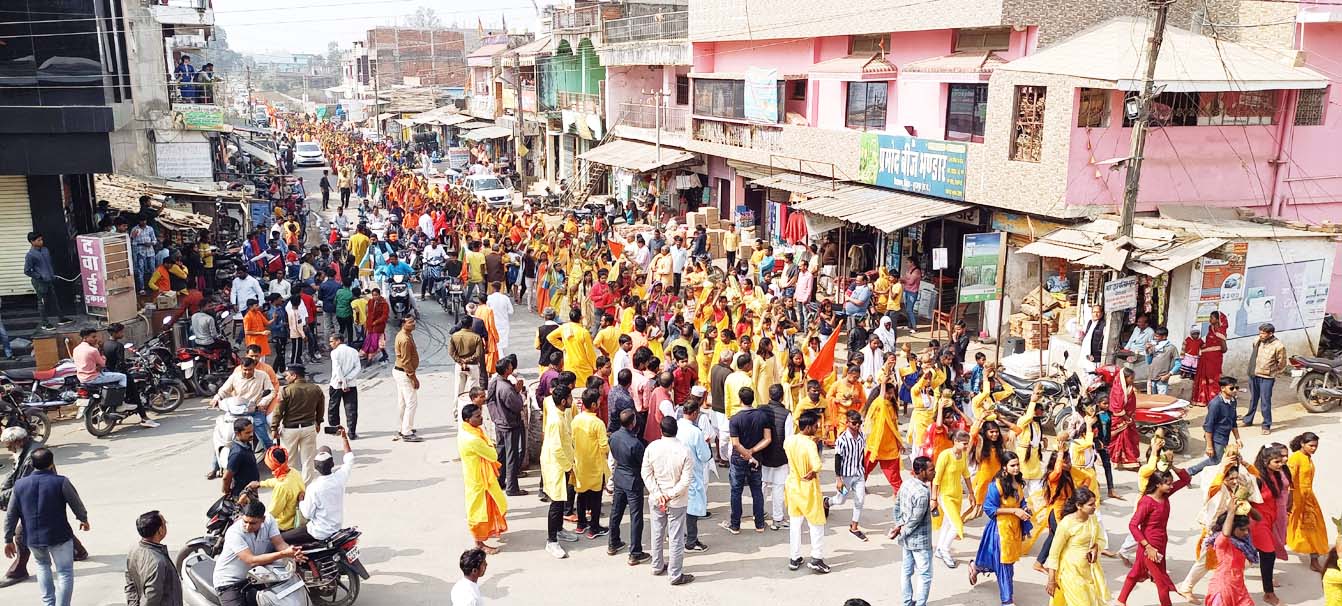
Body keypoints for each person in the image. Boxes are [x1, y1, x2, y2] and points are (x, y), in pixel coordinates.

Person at [2, 447, 88, 606]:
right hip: (59, 536)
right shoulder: (61, 481)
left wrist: (8, 539)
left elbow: (11, 514)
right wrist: (83, 519)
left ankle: (48, 604)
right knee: (64, 573)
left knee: (42, 567)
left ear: (32, 464)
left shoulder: (20, 485)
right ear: (52, 464)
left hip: (33, 538)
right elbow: (75, 502)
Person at [1116, 468, 1193, 606]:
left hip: (1161, 542)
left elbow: (1186, 479)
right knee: (1161, 582)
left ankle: (1121, 601)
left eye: (1171, 483)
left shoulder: (1165, 495)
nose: (1171, 486)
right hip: (1150, 546)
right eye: (1168, 483)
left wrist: (1172, 466)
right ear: (1158, 484)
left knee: (1135, 573)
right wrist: (1147, 546)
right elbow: (1133, 525)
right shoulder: (1147, 502)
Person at [968, 452, 1031, 606]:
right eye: (1012, 465)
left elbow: (1021, 501)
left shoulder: (1018, 482)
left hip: (1014, 528)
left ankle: (975, 567)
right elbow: (990, 509)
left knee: (1004, 562)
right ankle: (1007, 600)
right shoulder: (996, 486)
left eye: (1017, 465)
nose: (1016, 468)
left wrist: (1024, 508)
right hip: (1000, 530)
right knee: (1004, 565)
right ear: (1004, 467)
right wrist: (1014, 511)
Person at [212, 500, 302, 606]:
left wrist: (292, 553)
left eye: (253, 523)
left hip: (255, 577)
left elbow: (279, 543)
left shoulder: (269, 520)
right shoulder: (234, 533)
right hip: (229, 583)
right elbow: (251, 561)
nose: (248, 526)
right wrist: (284, 554)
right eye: (245, 522)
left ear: (263, 519)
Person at [641, 416, 695, 586]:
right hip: (676, 501)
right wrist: (670, 495)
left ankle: (657, 565)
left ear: (661, 430)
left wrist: (659, 494)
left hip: (658, 499)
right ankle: (675, 574)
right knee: (676, 537)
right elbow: (686, 481)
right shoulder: (684, 451)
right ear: (676, 430)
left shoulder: (652, 447)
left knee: (657, 533)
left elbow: (646, 473)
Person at [284, 429, 354, 545]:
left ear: (315, 467)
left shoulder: (314, 488)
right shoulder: (340, 478)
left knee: (280, 539)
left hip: (318, 532)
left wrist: (301, 501)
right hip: (336, 528)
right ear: (332, 464)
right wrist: (344, 437)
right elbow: (349, 459)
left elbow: (307, 514)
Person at [1043, 487, 1107, 606]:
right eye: (1091, 504)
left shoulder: (1093, 519)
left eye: (1095, 503)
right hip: (1070, 573)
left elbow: (1100, 539)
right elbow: (1054, 553)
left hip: (1089, 571)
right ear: (1079, 505)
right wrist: (1051, 580)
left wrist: (1096, 547)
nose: (1095, 507)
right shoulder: (1066, 524)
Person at [458, 404, 508, 554]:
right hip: (479, 479)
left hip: (478, 476)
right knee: (479, 512)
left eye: (480, 415)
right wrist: (490, 446)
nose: (481, 418)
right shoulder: (472, 438)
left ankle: (485, 534)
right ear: (468, 419)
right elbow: (493, 455)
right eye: (477, 416)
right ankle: (478, 543)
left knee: (487, 507)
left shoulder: (468, 430)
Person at [785, 409, 830, 574]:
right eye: (816, 425)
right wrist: (813, 471)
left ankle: (794, 557)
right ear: (809, 427)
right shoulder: (810, 444)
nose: (817, 428)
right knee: (816, 523)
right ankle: (817, 558)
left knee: (795, 524)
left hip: (792, 485)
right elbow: (817, 465)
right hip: (808, 487)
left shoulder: (789, 441)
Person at [723, 386, 771, 534]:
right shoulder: (762, 416)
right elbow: (768, 438)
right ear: (753, 399)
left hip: (739, 459)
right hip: (756, 458)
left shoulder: (735, 419)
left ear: (740, 400)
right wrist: (753, 453)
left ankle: (735, 524)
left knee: (736, 491)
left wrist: (747, 454)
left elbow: (736, 444)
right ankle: (760, 524)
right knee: (757, 490)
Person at [540, 384, 579, 558]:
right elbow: (556, 448)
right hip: (556, 465)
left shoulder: (561, 413)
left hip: (562, 463)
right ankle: (552, 540)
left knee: (562, 499)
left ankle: (559, 529)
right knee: (556, 503)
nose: (572, 400)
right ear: (564, 401)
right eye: (570, 398)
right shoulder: (556, 420)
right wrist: (568, 466)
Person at [608, 409, 650, 564]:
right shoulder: (635, 443)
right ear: (633, 423)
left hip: (619, 477)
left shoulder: (613, 437)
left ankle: (613, 543)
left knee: (616, 511)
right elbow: (644, 463)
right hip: (633, 480)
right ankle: (635, 552)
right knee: (636, 516)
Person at [891, 455, 935, 606]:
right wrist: (901, 531)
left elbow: (896, 506)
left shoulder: (906, 484)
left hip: (906, 540)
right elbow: (914, 521)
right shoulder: (923, 494)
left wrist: (898, 526)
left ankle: (907, 601)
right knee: (925, 575)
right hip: (920, 541)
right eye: (931, 470)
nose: (934, 473)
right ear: (922, 471)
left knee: (906, 572)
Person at [273, 365, 323, 483]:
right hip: (309, 427)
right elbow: (320, 408)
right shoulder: (315, 389)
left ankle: (291, 486)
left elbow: (278, 411)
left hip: (290, 430)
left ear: (294, 375)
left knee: (289, 461)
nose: (286, 378)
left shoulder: (286, 390)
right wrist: (318, 422)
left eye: (287, 375)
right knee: (308, 460)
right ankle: (306, 487)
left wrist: (274, 428)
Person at [485, 356, 526, 496]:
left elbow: (489, 400)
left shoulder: (495, 382)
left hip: (499, 422)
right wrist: (517, 391)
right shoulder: (506, 389)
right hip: (509, 424)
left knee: (501, 454)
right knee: (511, 457)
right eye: (510, 366)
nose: (511, 368)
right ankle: (512, 487)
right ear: (506, 370)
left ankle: (499, 480)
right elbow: (517, 405)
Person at [571, 390, 610, 538]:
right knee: (595, 498)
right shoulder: (598, 423)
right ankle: (594, 527)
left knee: (581, 495)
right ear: (593, 405)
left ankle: (581, 524)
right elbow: (604, 447)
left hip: (580, 463)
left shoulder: (576, 420)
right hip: (595, 466)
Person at [1287, 431, 1327, 573]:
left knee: (1314, 527)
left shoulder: (1307, 457)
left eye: (1316, 446)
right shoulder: (1295, 458)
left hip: (1308, 498)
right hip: (1297, 499)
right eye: (1311, 445)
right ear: (1302, 444)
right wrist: (1289, 500)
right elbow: (1289, 481)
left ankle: (1314, 559)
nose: (1314, 448)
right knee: (1285, 526)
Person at [933, 430, 973, 568]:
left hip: (957, 495)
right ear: (955, 442)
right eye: (964, 444)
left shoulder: (963, 455)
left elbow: (966, 474)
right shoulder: (945, 456)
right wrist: (934, 498)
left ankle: (939, 548)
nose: (966, 446)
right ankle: (945, 550)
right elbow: (936, 479)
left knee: (948, 524)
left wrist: (971, 493)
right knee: (957, 526)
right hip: (945, 495)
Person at [676, 402, 712, 553]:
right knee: (691, 508)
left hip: (676, 472)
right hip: (691, 473)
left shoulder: (676, 426)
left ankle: (676, 535)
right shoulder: (695, 432)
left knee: (677, 506)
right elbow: (704, 456)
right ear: (695, 413)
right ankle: (691, 541)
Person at [1188, 377, 1243, 476]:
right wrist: (1209, 446)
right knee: (1215, 460)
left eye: (1236, 388)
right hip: (1216, 437)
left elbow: (1233, 421)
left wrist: (1237, 438)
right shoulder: (1215, 404)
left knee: (1221, 459)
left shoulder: (1233, 401)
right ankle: (1190, 471)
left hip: (1225, 435)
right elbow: (1208, 426)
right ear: (1222, 388)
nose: (1235, 390)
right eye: (1231, 388)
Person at [125, 510, 181, 606]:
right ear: (160, 530)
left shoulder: (134, 551)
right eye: (165, 523)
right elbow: (151, 600)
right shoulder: (158, 562)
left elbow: (130, 585)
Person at [759, 384, 793, 531]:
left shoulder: (760, 409)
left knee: (762, 485)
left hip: (763, 454)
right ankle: (777, 519)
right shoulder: (786, 414)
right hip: (780, 456)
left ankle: (758, 514)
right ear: (782, 396)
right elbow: (789, 438)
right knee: (778, 487)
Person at [1242, 323, 1287, 434]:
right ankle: (1248, 420)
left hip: (1267, 377)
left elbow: (1282, 363)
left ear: (1270, 334)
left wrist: (1273, 372)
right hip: (1254, 374)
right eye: (1260, 332)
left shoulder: (1278, 346)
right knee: (1253, 399)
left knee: (1265, 401)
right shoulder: (1257, 340)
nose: (1260, 335)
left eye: (1263, 333)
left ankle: (1266, 425)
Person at [249, 447, 303, 532]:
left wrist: (254, 520)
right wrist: (260, 484)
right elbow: (277, 481)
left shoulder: (282, 487)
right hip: (296, 517)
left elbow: (273, 512)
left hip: (285, 526)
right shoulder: (293, 472)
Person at [547, 308, 597, 388]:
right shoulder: (584, 332)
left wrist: (563, 347)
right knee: (584, 387)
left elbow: (550, 337)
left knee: (570, 385)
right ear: (581, 318)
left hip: (569, 363)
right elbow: (590, 352)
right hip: (583, 364)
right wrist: (595, 366)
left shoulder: (564, 327)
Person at [393, 317, 422, 442]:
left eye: (413, 321)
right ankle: (406, 431)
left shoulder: (405, 335)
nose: (413, 324)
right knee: (411, 402)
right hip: (404, 373)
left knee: (403, 402)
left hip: (400, 372)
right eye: (410, 322)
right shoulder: (404, 339)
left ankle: (402, 427)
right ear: (403, 324)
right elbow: (405, 361)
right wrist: (413, 377)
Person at [327, 334, 361, 439]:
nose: (330, 344)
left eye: (332, 341)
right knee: (351, 408)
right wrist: (347, 379)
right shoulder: (354, 351)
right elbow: (358, 368)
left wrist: (343, 381)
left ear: (338, 341)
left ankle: (335, 429)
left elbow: (337, 369)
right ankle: (351, 432)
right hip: (351, 384)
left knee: (333, 407)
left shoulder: (334, 353)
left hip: (337, 384)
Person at [1108, 366, 1140, 469]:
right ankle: (1129, 462)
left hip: (1127, 418)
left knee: (1130, 440)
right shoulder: (1118, 390)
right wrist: (1127, 419)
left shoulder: (1128, 387)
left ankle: (1128, 461)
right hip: (1120, 420)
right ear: (1124, 378)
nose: (1133, 380)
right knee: (1122, 441)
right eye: (1131, 378)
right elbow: (1117, 408)